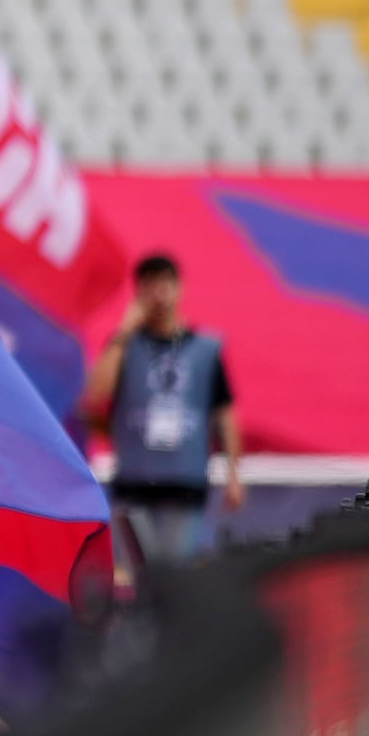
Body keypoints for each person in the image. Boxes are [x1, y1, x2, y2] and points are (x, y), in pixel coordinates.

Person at [78, 251, 243, 591]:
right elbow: (96, 393)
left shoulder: (205, 349)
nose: (159, 294)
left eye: (166, 284)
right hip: (135, 482)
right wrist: (123, 331)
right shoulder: (126, 346)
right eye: (150, 286)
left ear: (179, 288)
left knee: (175, 576)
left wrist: (234, 473)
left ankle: (173, 640)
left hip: (185, 481)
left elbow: (224, 414)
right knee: (141, 576)